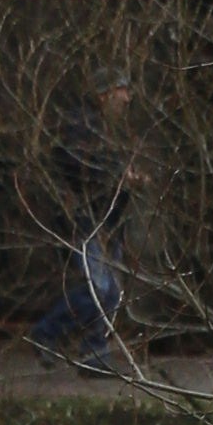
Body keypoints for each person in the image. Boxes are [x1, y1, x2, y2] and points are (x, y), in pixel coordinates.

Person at [30, 69, 135, 371]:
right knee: (98, 290)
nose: (128, 99)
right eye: (122, 90)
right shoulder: (83, 127)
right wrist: (119, 176)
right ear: (105, 94)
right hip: (89, 219)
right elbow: (77, 165)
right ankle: (47, 332)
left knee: (111, 293)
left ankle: (95, 356)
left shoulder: (107, 128)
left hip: (108, 220)